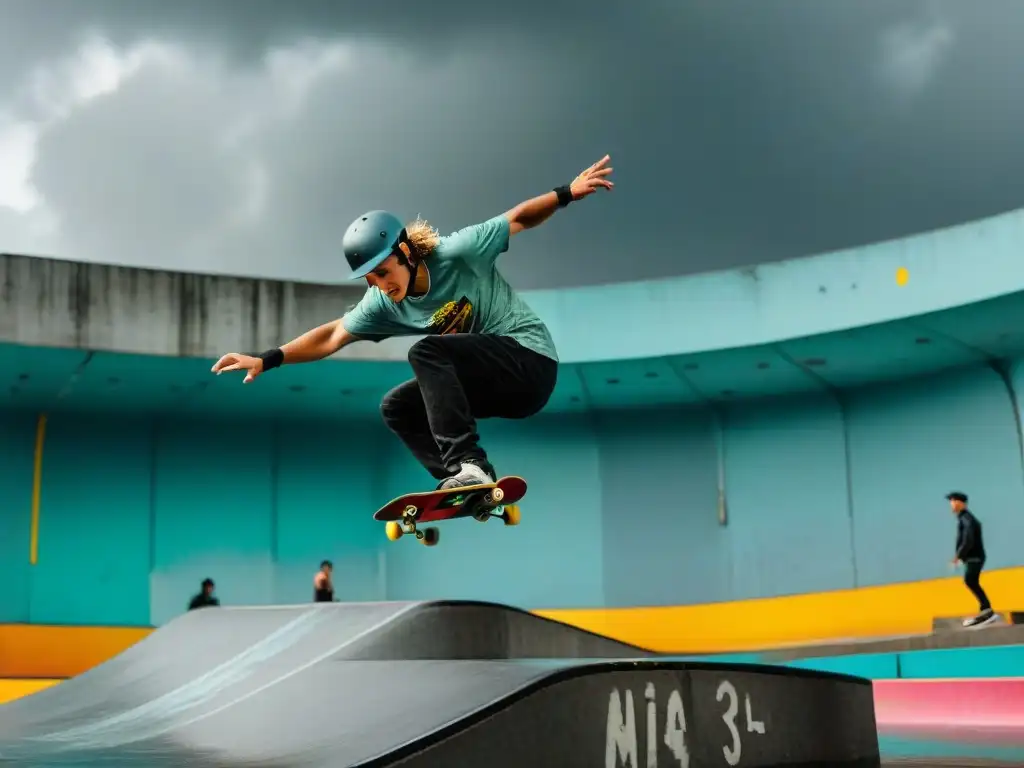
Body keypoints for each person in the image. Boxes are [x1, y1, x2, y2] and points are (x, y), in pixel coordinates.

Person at [211, 156, 614, 489]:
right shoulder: (383, 304)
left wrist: (567, 193)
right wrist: (267, 359)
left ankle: (469, 462)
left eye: (385, 273)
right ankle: (465, 483)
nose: (382, 287)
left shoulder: (459, 251)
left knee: (426, 350)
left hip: (531, 361)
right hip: (499, 388)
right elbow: (333, 336)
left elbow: (519, 219)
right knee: (398, 406)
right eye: (372, 280)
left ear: (405, 251)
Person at [947, 491, 996, 628]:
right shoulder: (964, 518)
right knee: (971, 581)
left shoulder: (967, 519)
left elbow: (968, 539)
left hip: (975, 557)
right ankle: (986, 609)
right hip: (974, 557)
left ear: (960, 503)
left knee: (970, 581)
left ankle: (987, 610)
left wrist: (958, 556)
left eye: (953, 501)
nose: (951, 504)